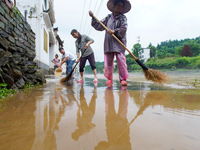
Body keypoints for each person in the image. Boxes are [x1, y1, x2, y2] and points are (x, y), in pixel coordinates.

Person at [89, 0, 131, 86]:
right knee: (108, 62)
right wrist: (93, 17)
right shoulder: (108, 17)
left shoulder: (123, 18)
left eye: (121, 6)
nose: (119, 7)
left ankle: (123, 79)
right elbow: (99, 25)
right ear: (114, 6)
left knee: (121, 61)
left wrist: (114, 31)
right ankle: (109, 79)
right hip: (109, 43)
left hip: (119, 43)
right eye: (118, 5)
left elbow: (124, 29)